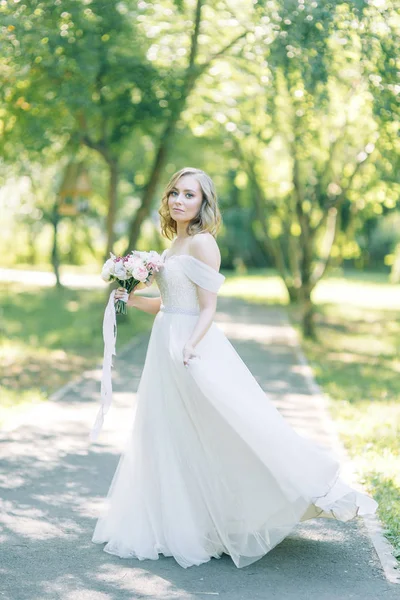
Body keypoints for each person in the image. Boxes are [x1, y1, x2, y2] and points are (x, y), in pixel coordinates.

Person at [92, 166, 378, 569]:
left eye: (189, 195)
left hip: (191, 344)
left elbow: (207, 307)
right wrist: (132, 297)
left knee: (227, 424)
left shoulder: (203, 243)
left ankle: (272, 496)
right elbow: (169, 301)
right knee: (170, 429)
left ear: (203, 203)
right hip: (165, 338)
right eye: (175, 193)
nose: (179, 200)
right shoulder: (173, 245)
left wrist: (190, 344)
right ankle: (184, 521)